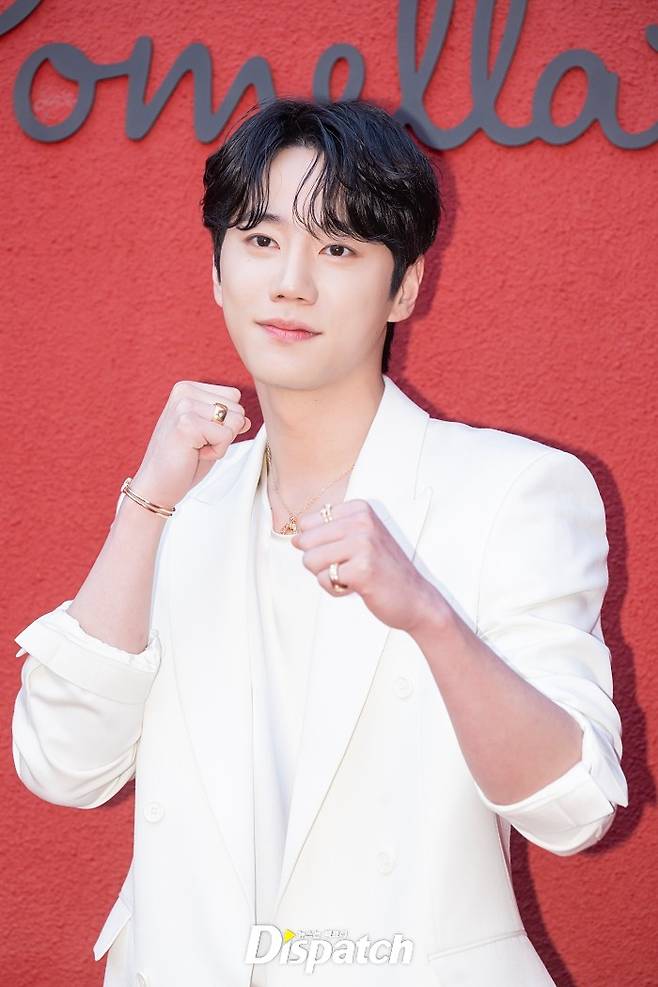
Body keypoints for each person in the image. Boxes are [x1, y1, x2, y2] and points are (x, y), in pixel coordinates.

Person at [11, 97, 628, 987]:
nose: (291, 282)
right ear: (217, 268)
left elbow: (573, 810)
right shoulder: (186, 499)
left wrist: (429, 616)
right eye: (261, 239)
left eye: (338, 248)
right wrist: (145, 503)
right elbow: (63, 766)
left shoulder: (514, 491)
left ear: (404, 285)